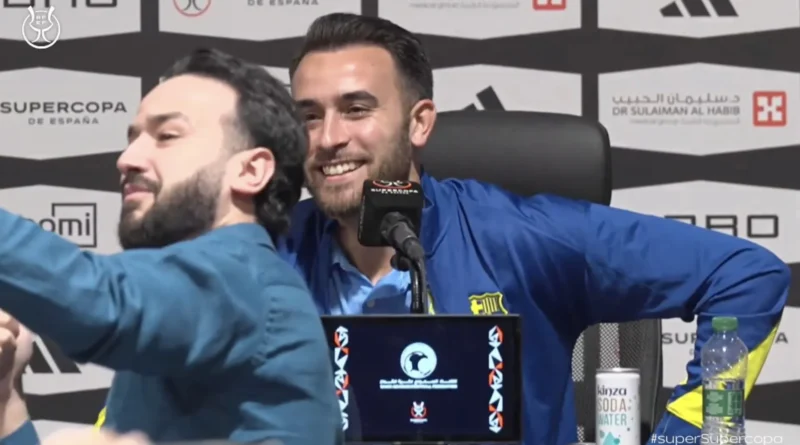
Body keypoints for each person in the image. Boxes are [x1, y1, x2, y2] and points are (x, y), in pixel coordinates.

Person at [277, 13, 788, 445]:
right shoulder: (265, 252)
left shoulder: (519, 237)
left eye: (356, 109)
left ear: (419, 123)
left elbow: (747, 276)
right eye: (309, 116)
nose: (328, 138)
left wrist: (687, 433)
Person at [0, 48, 341, 445]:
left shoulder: (241, 278)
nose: (127, 159)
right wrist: (6, 401)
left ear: (250, 170)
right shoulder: (195, 309)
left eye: (167, 136)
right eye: (132, 139)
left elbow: (100, 301)